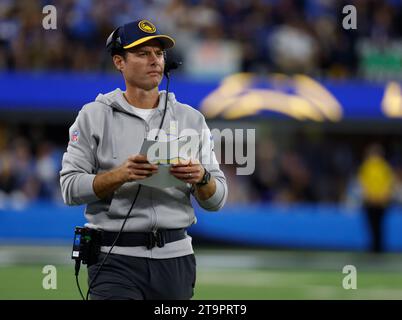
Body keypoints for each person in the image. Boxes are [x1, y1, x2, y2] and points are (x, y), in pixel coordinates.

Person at [60, 19, 228, 300]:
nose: (155, 61)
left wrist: (202, 178)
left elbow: (217, 200)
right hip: (114, 259)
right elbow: (69, 189)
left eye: (159, 54)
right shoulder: (93, 115)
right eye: (142, 53)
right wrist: (121, 174)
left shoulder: (191, 119)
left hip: (176, 260)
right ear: (119, 62)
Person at [357, 144, 394, 253]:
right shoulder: (370, 166)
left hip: (375, 202)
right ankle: (376, 247)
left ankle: (376, 248)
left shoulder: (381, 167)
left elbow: (387, 184)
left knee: (376, 226)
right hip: (375, 201)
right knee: (375, 226)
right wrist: (377, 196)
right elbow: (364, 184)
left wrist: (376, 196)